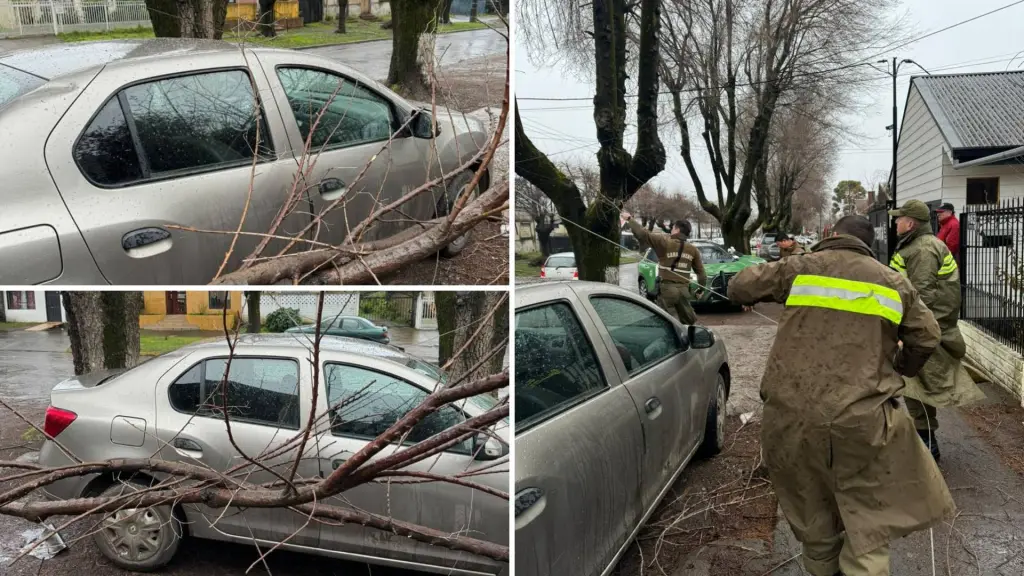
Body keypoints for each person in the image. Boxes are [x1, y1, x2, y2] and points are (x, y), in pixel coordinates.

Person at [727, 215, 953, 576]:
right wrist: (901, 366)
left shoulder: (798, 269)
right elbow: (927, 335)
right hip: (863, 420)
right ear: (868, 244)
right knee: (867, 521)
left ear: (832, 236)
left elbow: (738, 286)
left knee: (813, 517)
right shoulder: (894, 282)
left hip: (791, 417)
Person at [888, 199, 984, 461]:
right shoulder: (921, 245)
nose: (895, 222)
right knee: (919, 385)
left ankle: (927, 447)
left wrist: (906, 332)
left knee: (916, 385)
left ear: (910, 223)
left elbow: (921, 297)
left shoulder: (921, 250)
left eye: (899, 218)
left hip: (925, 328)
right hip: (933, 325)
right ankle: (925, 442)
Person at [621, 210, 706, 324]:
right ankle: (690, 338)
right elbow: (702, 274)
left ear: (676, 229)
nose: (671, 230)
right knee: (689, 322)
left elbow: (643, 233)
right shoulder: (693, 249)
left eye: (672, 228)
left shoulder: (663, 241)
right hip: (684, 291)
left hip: (667, 291)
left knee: (668, 323)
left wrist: (629, 219)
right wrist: (701, 290)